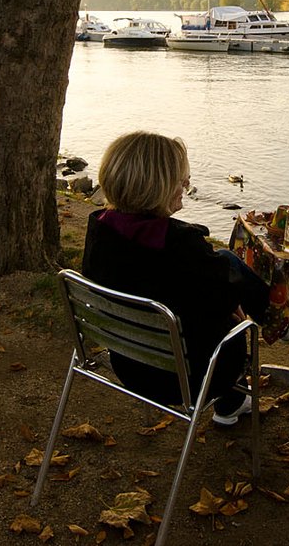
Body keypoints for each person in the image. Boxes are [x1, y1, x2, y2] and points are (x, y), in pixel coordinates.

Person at [80, 131, 274, 427]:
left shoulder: (100, 231)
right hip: (185, 377)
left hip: (129, 361)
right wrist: (232, 301)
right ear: (156, 186)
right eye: (181, 179)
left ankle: (233, 401)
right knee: (233, 294)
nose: (186, 185)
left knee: (223, 271)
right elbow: (218, 302)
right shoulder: (181, 246)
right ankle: (277, 317)